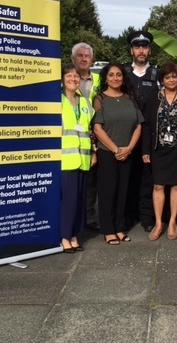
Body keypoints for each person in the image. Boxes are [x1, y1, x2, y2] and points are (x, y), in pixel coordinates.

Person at [142, 62, 177, 241]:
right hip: (159, 150)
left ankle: (173, 221)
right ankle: (159, 223)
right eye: (167, 77)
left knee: (176, 185)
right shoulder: (153, 98)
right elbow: (147, 126)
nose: (171, 80)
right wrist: (145, 150)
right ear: (162, 80)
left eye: (174, 76)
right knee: (158, 185)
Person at [92, 62, 144, 245]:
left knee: (124, 192)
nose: (115, 78)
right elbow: (97, 128)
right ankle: (108, 229)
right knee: (108, 192)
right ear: (105, 77)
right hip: (108, 152)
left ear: (123, 78)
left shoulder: (130, 98)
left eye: (119, 75)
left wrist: (129, 148)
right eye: (111, 75)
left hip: (127, 152)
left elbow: (138, 125)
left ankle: (120, 227)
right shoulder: (100, 99)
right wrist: (115, 149)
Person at [123, 30, 158, 233]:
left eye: (144, 47)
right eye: (137, 47)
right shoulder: (123, 73)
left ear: (149, 51)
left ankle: (146, 216)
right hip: (126, 134)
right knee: (127, 177)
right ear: (132, 50)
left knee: (147, 178)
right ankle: (128, 216)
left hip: (148, 135)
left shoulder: (156, 75)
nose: (141, 51)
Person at [60, 63, 95, 252]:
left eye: (76, 76)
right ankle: (65, 236)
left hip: (83, 159)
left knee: (80, 199)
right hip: (65, 160)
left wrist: (94, 153)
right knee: (68, 200)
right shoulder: (57, 101)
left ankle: (74, 234)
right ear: (63, 79)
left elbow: (89, 130)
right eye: (69, 76)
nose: (73, 79)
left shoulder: (85, 102)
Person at [71, 42, 102, 232]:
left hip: (96, 132)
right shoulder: (66, 78)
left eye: (87, 56)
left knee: (91, 179)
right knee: (74, 178)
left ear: (92, 59)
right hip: (73, 134)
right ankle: (73, 216)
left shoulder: (99, 79)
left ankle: (89, 215)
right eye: (80, 56)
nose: (84, 59)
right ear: (73, 59)